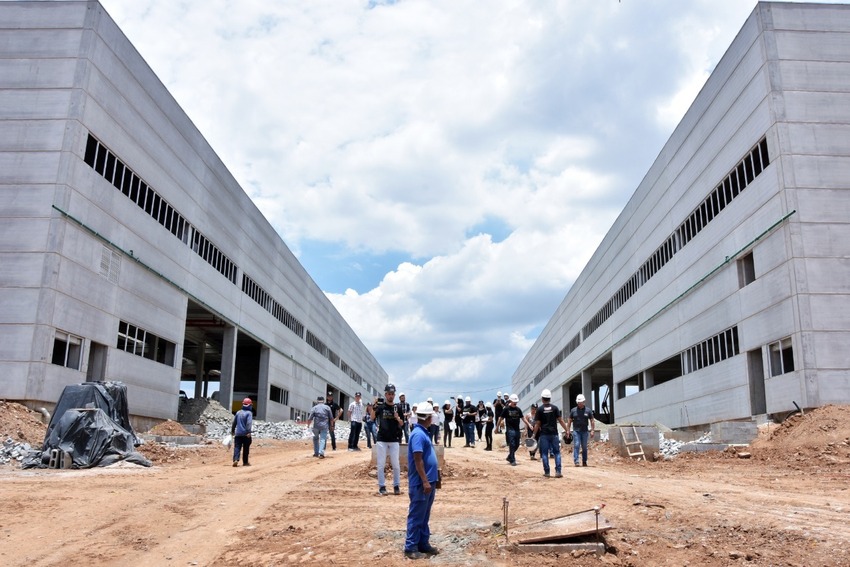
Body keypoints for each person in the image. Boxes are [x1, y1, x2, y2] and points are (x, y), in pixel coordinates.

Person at [403, 401, 440, 560]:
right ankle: (410, 547)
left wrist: (435, 477)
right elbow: (418, 460)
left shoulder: (423, 432)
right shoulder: (418, 434)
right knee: (417, 514)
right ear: (428, 417)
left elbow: (426, 457)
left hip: (428, 481)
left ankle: (423, 543)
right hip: (421, 483)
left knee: (424, 515)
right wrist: (425, 481)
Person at [372, 383, 404, 495]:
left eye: (392, 394)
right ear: (385, 394)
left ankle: (396, 486)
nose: (391, 396)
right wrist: (373, 406)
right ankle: (382, 486)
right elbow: (372, 417)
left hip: (394, 439)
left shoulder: (398, 407)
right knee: (381, 464)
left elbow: (402, 423)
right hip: (382, 439)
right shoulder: (380, 407)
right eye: (389, 394)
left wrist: (397, 417)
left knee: (396, 464)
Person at [533, 389, 569, 478]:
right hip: (554, 434)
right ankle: (558, 471)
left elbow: (537, 424)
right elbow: (560, 420)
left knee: (544, 453)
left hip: (544, 434)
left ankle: (547, 472)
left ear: (542, 398)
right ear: (550, 398)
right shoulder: (555, 408)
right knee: (557, 453)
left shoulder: (540, 410)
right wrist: (567, 430)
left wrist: (533, 435)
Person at [497, 394, 530, 466]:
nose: (515, 403)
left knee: (517, 444)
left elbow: (523, 418)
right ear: (510, 401)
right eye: (514, 402)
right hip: (510, 429)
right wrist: (497, 428)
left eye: (516, 402)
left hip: (517, 429)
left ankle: (509, 456)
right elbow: (501, 418)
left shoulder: (518, 409)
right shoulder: (506, 409)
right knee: (512, 444)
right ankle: (513, 459)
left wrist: (529, 424)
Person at [567, 393, 596, 467]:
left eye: (581, 402)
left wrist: (592, 430)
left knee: (584, 447)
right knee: (576, 445)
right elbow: (569, 421)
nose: (579, 404)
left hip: (585, 431)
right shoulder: (573, 410)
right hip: (576, 431)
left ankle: (584, 461)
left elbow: (592, 420)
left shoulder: (588, 410)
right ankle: (576, 461)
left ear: (584, 402)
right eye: (578, 403)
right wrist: (568, 430)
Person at [231, 397, 253, 467]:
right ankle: (245, 462)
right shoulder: (249, 413)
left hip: (238, 434)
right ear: (249, 405)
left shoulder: (238, 412)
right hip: (246, 434)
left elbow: (234, 423)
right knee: (246, 448)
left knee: (237, 447)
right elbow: (249, 423)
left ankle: (235, 459)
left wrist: (232, 430)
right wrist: (248, 432)